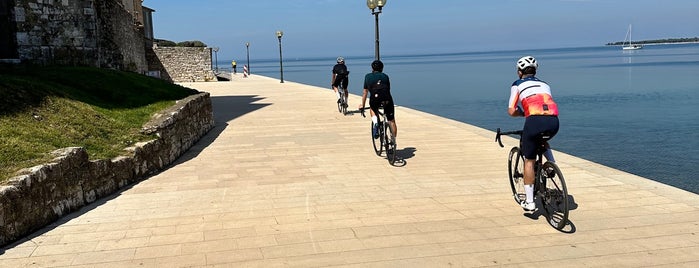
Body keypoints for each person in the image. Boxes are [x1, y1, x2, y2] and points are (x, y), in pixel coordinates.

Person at [508, 56, 560, 211]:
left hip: (534, 121)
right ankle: (552, 165)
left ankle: (530, 202)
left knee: (529, 161)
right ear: (535, 71)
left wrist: (522, 113)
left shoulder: (517, 84)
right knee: (543, 140)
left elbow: (511, 110)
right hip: (554, 121)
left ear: (519, 72)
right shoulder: (545, 84)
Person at [359, 60, 397, 142]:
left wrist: (362, 105)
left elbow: (365, 92)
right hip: (387, 99)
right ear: (382, 68)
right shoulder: (385, 76)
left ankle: (376, 123)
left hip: (375, 99)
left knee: (372, 109)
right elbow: (388, 89)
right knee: (391, 121)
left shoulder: (367, 76)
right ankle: (393, 142)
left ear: (372, 68)